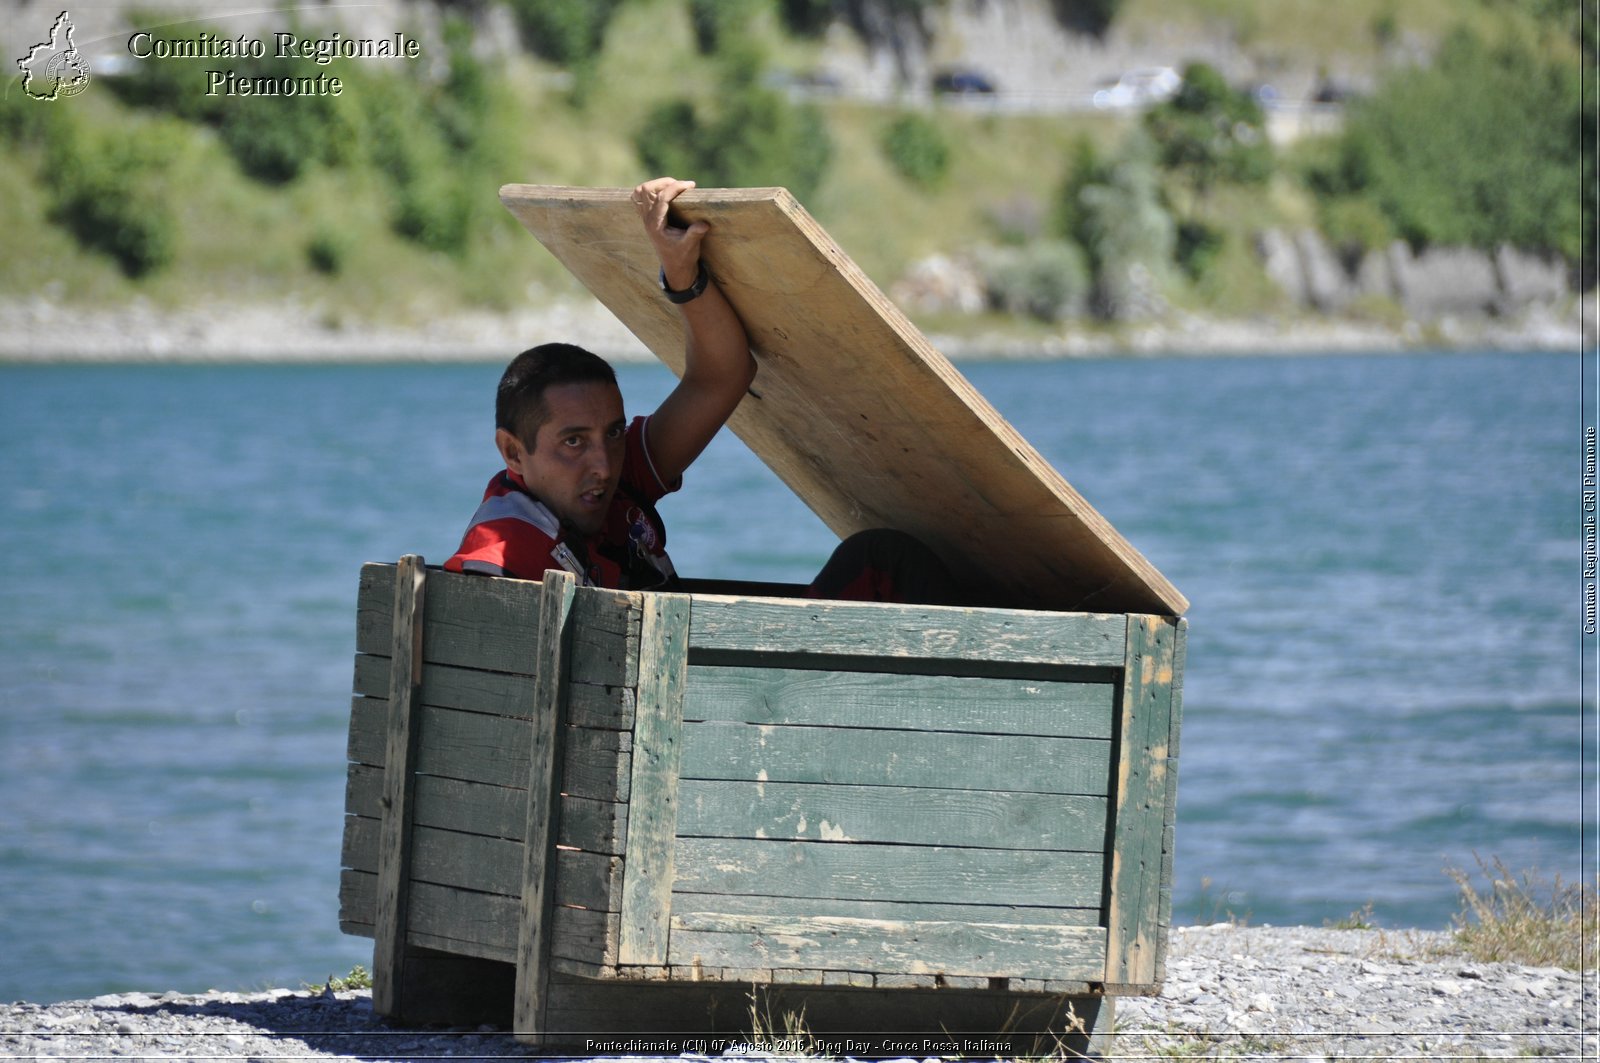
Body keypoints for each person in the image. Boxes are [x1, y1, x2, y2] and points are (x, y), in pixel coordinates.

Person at [445, 176, 960, 604]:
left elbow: (723, 375)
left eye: (614, 432)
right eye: (573, 442)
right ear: (513, 452)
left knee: (883, 560)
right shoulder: (507, 547)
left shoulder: (621, 478)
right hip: (668, 713)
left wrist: (681, 271)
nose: (603, 463)